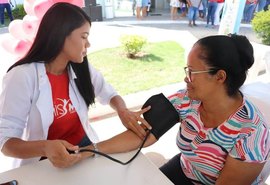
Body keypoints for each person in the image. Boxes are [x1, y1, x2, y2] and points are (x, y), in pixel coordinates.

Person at [0, 2, 151, 169]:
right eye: (84, 36)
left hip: (83, 148)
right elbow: (6, 143)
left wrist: (122, 110)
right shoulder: (22, 76)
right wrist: (45, 146)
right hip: (43, 161)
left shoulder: (80, 67)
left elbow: (109, 93)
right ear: (61, 35)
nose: (88, 44)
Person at [159, 34, 270, 184]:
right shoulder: (188, 99)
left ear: (219, 77)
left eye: (192, 71)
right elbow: (144, 133)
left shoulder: (252, 134)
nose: (186, 78)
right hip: (186, 168)